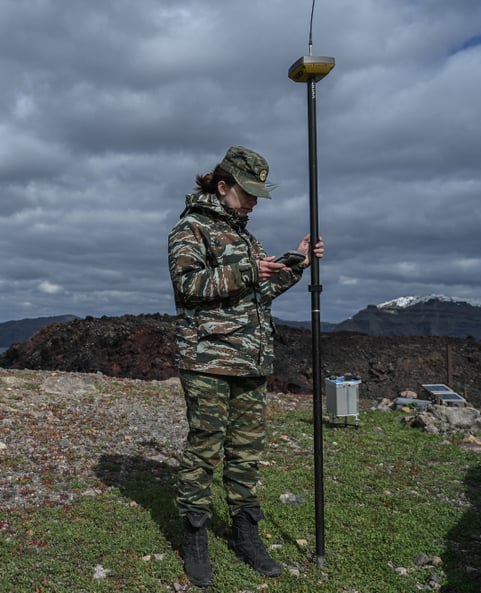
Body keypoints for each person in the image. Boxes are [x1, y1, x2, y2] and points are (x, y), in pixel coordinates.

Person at [167, 146, 324, 586]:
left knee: (247, 452)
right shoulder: (190, 228)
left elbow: (256, 295)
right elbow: (188, 285)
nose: (254, 201)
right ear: (223, 186)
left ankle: (245, 533)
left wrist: (296, 265)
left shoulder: (245, 237)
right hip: (208, 360)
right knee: (204, 450)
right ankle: (195, 536)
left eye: (258, 194)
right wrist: (249, 269)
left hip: (250, 359)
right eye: (247, 192)